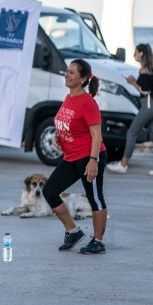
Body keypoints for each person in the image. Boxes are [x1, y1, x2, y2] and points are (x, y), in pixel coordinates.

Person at [42, 59, 109, 255]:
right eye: (67, 71)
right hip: (71, 157)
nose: (67, 74)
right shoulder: (69, 98)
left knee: (94, 198)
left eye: (72, 72)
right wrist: (59, 137)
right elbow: (67, 124)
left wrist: (93, 161)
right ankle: (72, 231)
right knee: (50, 191)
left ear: (83, 79)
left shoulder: (88, 103)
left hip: (90, 156)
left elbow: (96, 135)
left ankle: (98, 241)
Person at [107, 43, 153, 177]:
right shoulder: (152, 68)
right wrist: (136, 82)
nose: (134, 55)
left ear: (141, 54)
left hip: (148, 106)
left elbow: (144, 91)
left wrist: (132, 82)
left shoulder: (144, 70)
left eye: (136, 52)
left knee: (131, 133)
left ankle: (123, 165)